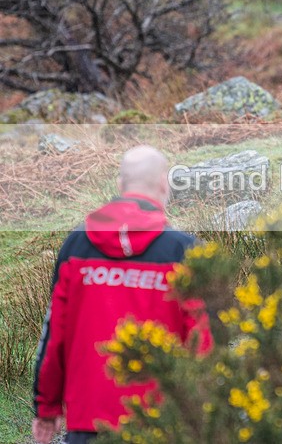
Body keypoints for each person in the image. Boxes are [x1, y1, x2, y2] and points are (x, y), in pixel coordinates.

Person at [32, 145, 212, 444]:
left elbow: (54, 335)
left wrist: (46, 408)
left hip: (88, 423)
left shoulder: (77, 245)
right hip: (160, 423)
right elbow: (201, 341)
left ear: (120, 186)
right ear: (164, 185)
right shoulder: (184, 251)